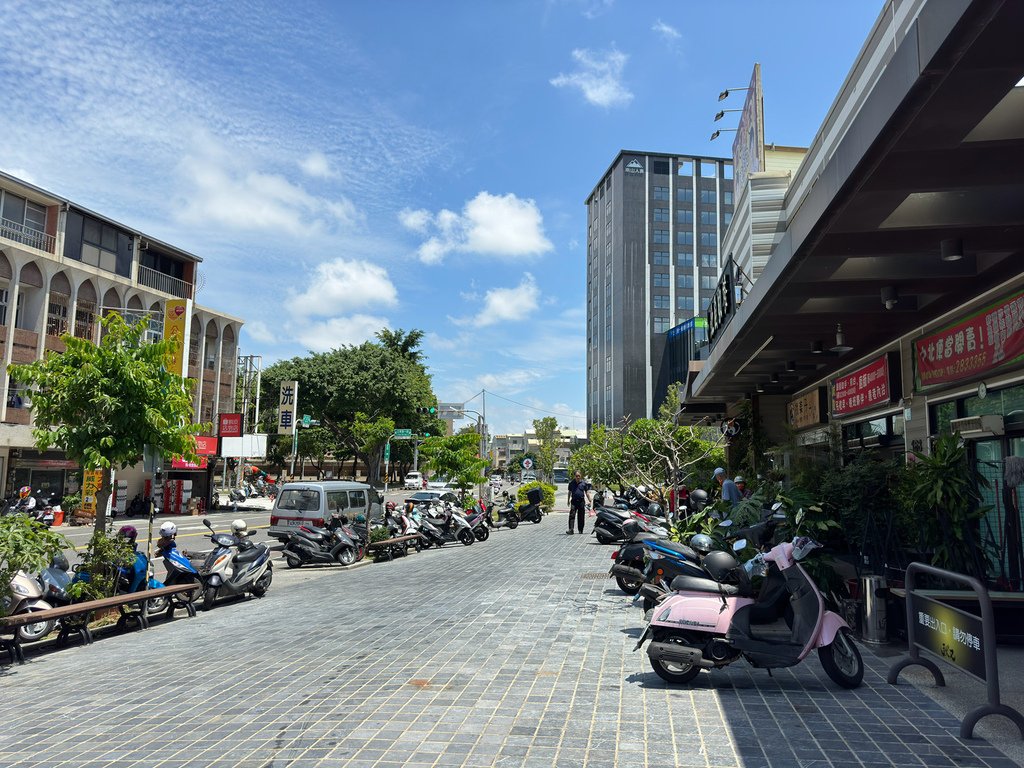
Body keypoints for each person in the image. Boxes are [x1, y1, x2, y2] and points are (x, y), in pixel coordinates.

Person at [566, 471, 592, 535]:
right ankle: (571, 529)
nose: (577, 477)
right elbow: (569, 492)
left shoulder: (584, 483)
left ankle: (580, 530)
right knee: (572, 515)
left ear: (581, 476)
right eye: (576, 476)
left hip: (581, 502)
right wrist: (568, 500)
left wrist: (590, 500)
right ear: (574, 476)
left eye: (579, 476)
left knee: (581, 516)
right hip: (574, 501)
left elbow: (587, 492)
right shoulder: (571, 483)